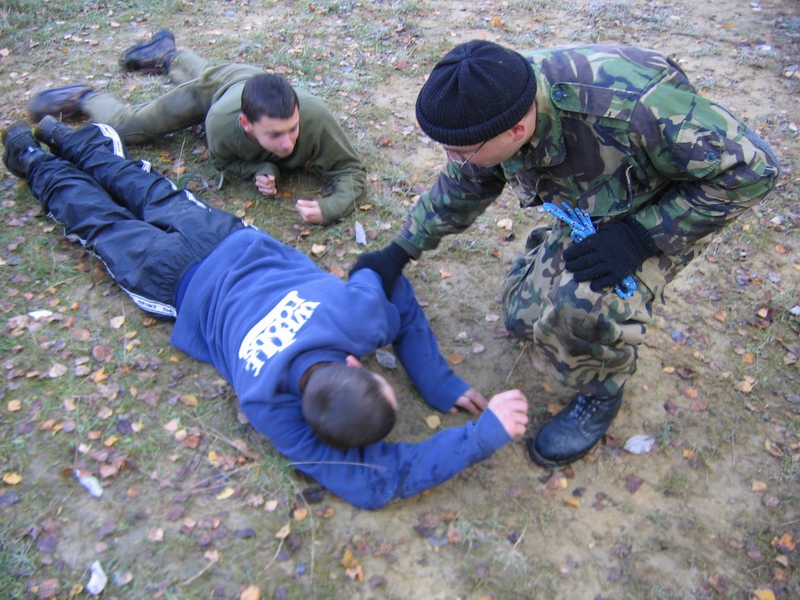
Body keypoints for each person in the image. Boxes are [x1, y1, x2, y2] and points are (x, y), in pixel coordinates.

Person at [1, 118, 529, 510]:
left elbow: (391, 282)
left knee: (141, 187)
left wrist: (439, 382)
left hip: (222, 239)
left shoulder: (357, 319)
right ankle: (28, 152)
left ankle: (60, 134)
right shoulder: (266, 404)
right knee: (97, 220)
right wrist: (470, 427)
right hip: (174, 283)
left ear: (354, 365)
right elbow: (373, 484)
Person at [362, 41, 780, 469]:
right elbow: (464, 183)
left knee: (583, 306)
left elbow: (754, 169)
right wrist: (400, 250)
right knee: (522, 319)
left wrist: (640, 237)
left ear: (516, 132)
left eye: (460, 151)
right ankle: (558, 255)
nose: (452, 158)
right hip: (594, 209)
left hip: (668, 209)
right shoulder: (492, 109)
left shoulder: (634, 107)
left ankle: (601, 394)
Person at [26, 29, 366, 226]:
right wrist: (261, 168)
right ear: (246, 125)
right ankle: (84, 96)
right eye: (274, 135)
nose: (288, 142)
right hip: (216, 91)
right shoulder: (222, 123)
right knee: (130, 126)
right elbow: (224, 162)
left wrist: (330, 207)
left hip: (247, 85)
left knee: (208, 73)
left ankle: (168, 54)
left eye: (292, 129)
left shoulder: (313, 116)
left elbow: (351, 171)